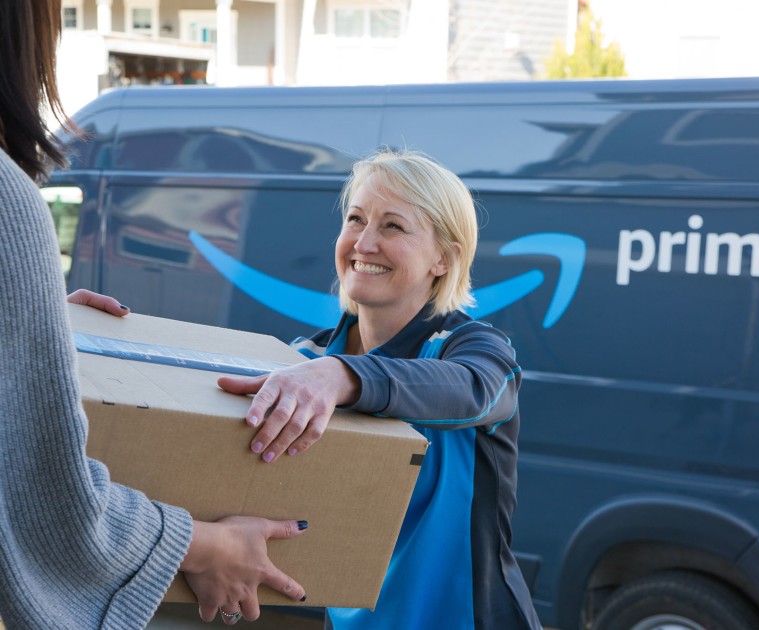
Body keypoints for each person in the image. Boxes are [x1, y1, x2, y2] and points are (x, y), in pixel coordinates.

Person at [0, 2, 307, 628]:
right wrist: (213, 545)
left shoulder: (464, 345)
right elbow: (45, 500)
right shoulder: (8, 203)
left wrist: (32, 315)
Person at [218, 149, 542, 629]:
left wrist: (347, 376)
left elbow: (475, 390)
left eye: (392, 226)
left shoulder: (474, 349)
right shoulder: (303, 363)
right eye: (355, 219)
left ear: (444, 258)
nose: (364, 242)